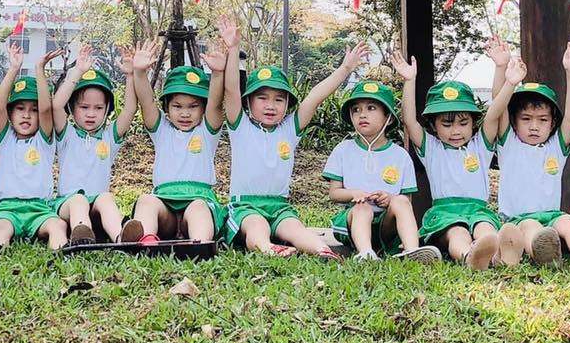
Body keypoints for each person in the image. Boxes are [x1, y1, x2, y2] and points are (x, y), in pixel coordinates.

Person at [220, 16, 363, 259]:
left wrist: (345, 69)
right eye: (262, 98)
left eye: (279, 99)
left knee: (295, 228)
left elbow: (314, 97)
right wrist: (233, 49)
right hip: (246, 205)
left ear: (287, 103)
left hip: (280, 206)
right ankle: (267, 248)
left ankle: (323, 251)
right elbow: (231, 90)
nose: (271, 105)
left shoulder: (289, 129)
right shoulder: (240, 125)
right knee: (257, 226)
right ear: (249, 102)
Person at [390, 51, 523, 270]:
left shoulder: (480, 146)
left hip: (478, 211)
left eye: (463, 123)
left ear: (473, 123)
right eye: (447, 124)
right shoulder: (431, 148)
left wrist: (509, 82)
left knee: (486, 230)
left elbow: (494, 113)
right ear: (433, 125)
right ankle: (469, 256)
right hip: (446, 214)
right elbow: (409, 121)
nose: (456, 131)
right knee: (458, 234)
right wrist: (409, 80)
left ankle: (499, 257)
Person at [495, 42, 570, 271]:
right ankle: (543, 253)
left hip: (552, 215)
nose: (534, 126)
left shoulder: (556, 148)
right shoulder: (508, 142)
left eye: (542, 120)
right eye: (526, 119)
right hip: (519, 218)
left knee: (568, 222)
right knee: (532, 228)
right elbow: (498, 106)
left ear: (552, 124)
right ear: (514, 121)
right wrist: (502, 71)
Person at [323, 76, 440, 263]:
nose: (362, 115)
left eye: (371, 108)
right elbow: (334, 193)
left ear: (388, 117)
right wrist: (354, 193)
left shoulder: (400, 156)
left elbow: (406, 202)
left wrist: (389, 198)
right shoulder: (343, 150)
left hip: (386, 226)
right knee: (363, 208)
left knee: (400, 200)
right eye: (356, 110)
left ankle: (412, 250)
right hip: (354, 221)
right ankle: (366, 253)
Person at [126, 48, 227, 246]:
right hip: (165, 202)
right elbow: (146, 102)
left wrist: (217, 74)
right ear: (167, 107)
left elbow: (216, 104)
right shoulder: (161, 130)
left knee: (199, 208)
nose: (185, 113)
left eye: (193, 106)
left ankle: (199, 244)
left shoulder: (207, 132)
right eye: (177, 106)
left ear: (203, 108)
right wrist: (139, 72)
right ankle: (147, 240)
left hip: (198, 198)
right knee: (146, 201)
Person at [52, 43, 145, 245]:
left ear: (107, 109)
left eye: (98, 108)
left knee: (106, 198)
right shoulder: (66, 134)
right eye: (84, 107)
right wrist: (77, 72)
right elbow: (56, 105)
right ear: (72, 108)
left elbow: (129, 110)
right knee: (78, 200)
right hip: (67, 206)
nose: (91, 114)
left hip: (96, 209)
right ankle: (81, 236)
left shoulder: (109, 136)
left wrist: (130, 75)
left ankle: (120, 237)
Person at [0, 44, 65, 250]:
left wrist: (39, 69)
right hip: (6, 207)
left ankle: (62, 255)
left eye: (33, 110)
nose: (26, 115)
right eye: (20, 108)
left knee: (57, 225)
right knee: (2, 228)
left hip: (39, 208)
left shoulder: (44, 141)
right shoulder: (5, 139)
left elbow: (47, 109)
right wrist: (14, 68)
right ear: (11, 113)